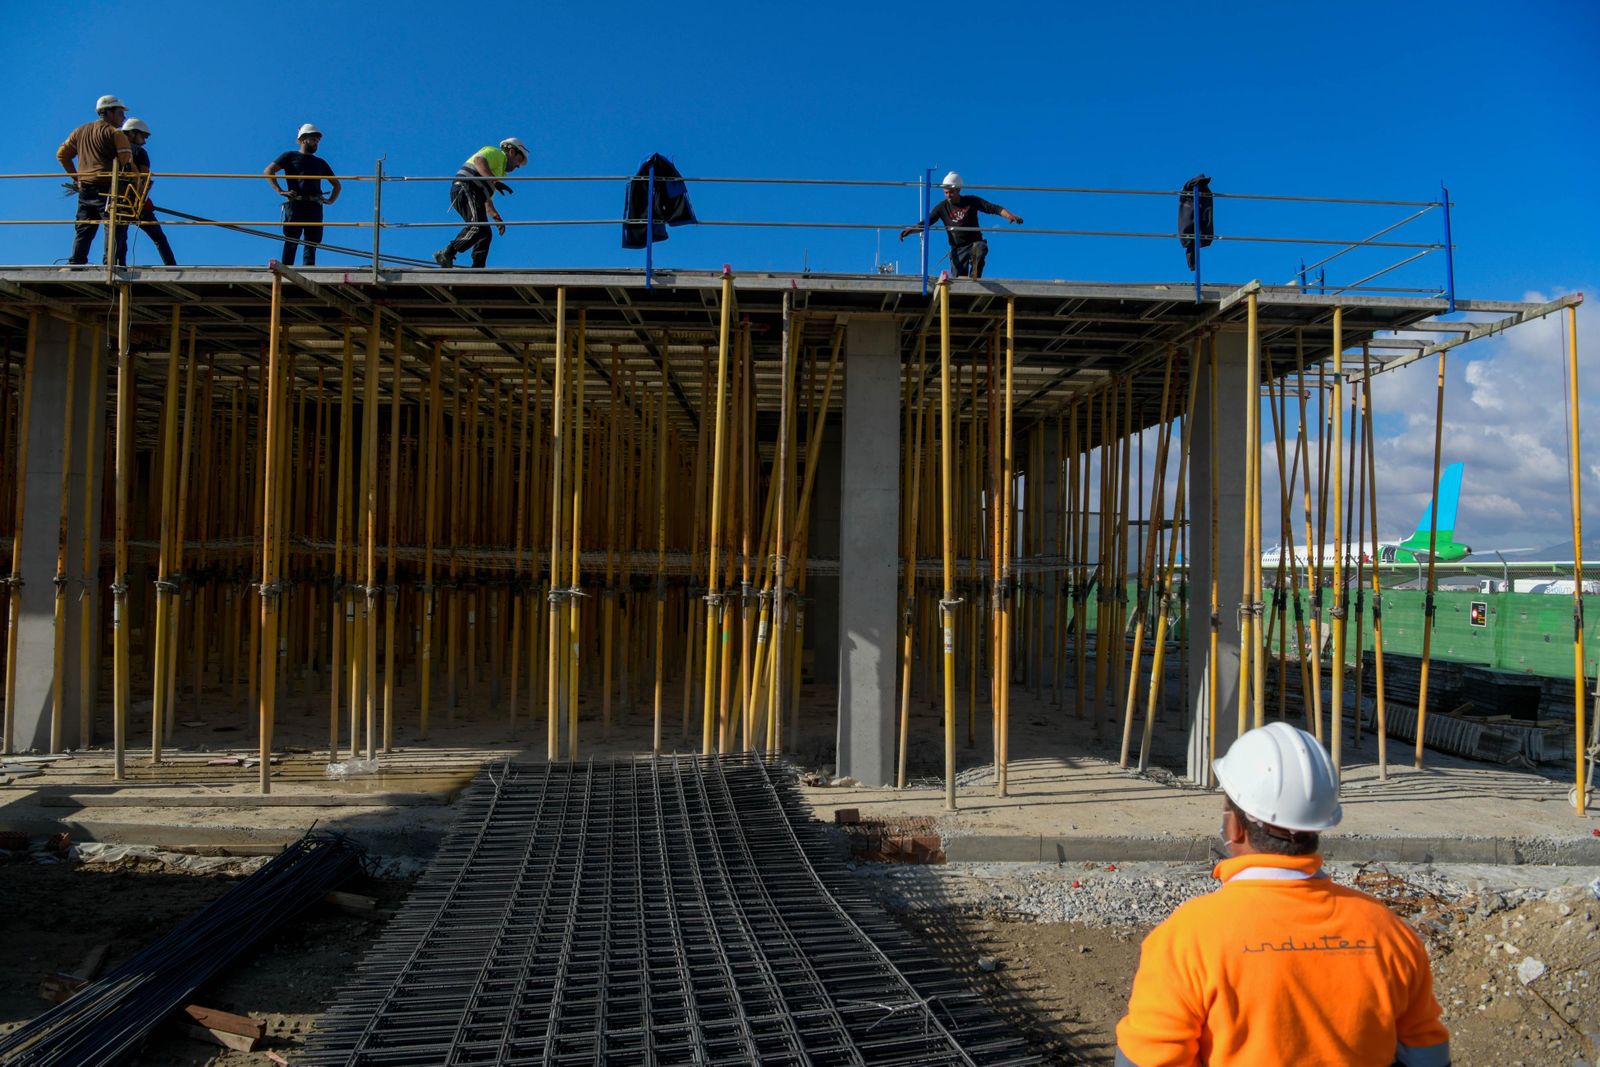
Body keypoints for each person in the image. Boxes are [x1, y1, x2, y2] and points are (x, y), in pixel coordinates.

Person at [1114, 722, 1451, 1066]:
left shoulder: (1188, 938)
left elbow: (1148, 1058)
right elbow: (1427, 1053)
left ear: (1234, 825)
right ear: (1319, 827)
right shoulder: (1389, 932)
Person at [56, 95, 135, 266]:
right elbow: (126, 165)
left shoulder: (79, 131)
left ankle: (76, 263)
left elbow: (62, 155)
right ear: (109, 112)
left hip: (86, 188)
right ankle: (110, 265)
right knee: (114, 225)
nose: (124, 118)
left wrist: (77, 178)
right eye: (121, 113)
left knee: (84, 228)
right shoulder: (116, 134)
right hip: (109, 188)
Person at [898, 171, 1023, 279]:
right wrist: (911, 230)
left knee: (981, 249)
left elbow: (993, 208)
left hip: (975, 243)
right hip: (957, 249)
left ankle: (975, 277)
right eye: (945, 192)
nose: (948, 195)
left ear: (958, 189)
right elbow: (927, 222)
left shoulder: (971, 201)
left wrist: (1009, 216)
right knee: (959, 281)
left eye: (951, 192)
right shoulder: (942, 207)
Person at [434, 137, 528, 268]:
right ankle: (447, 253)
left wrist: (496, 216)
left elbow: (486, 199)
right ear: (511, 152)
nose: (518, 166)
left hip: (474, 193)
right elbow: (479, 161)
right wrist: (495, 181)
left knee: (485, 233)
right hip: (465, 188)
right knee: (477, 226)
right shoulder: (497, 154)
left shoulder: (498, 171)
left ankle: (478, 267)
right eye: (519, 160)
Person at [264, 124, 340, 266]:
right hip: (296, 203)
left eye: (317, 140)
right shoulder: (290, 156)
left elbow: (337, 185)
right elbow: (269, 170)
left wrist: (330, 201)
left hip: (314, 204)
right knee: (292, 238)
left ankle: (309, 269)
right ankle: (287, 268)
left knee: (312, 241)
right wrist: (280, 190)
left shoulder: (320, 162)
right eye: (313, 139)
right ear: (303, 139)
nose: (316, 143)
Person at [118, 118, 177, 266]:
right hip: (136, 202)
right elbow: (144, 179)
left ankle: (119, 266)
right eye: (143, 136)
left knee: (119, 236)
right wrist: (144, 199)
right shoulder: (139, 152)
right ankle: (171, 267)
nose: (144, 141)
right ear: (132, 133)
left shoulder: (114, 151)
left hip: (117, 201)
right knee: (159, 238)